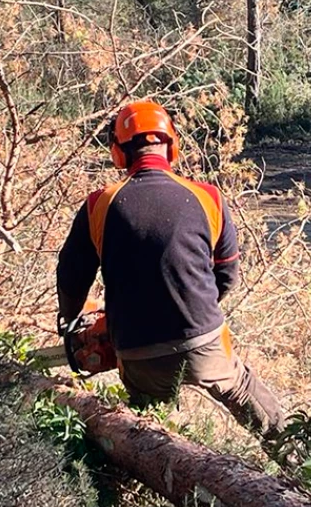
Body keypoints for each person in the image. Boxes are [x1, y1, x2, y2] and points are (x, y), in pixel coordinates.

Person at [56, 101, 285, 440]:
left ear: (119, 153)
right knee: (245, 392)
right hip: (202, 340)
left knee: (147, 428)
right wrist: (188, 303)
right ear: (171, 146)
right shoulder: (208, 197)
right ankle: (297, 457)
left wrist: (71, 320)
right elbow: (227, 277)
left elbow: (72, 277)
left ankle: (144, 472)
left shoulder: (98, 205)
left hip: (138, 354)